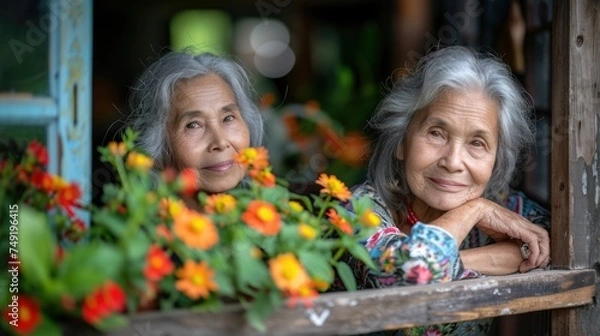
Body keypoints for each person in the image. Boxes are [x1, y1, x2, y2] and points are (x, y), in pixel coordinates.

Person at [342, 46, 550, 335]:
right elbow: (414, 274)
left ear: (496, 159)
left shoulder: (506, 208)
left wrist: (455, 261)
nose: (453, 162)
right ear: (402, 142)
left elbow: (549, 241)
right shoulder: (358, 211)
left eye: (477, 143)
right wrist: (475, 209)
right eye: (436, 133)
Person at [126, 51, 264, 194]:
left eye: (228, 118)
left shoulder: (279, 212)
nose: (221, 143)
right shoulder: (143, 216)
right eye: (193, 125)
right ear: (158, 151)